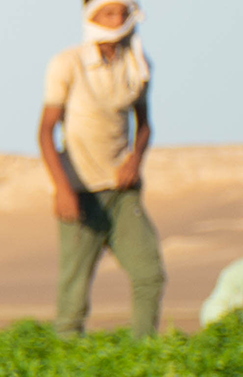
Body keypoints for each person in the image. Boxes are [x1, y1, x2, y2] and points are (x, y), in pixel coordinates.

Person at [39, 0, 164, 336]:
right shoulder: (68, 63)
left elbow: (145, 125)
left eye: (122, 13)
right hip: (81, 192)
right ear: (91, 17)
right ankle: (66, 361)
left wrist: (135, 159)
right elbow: (46, 131)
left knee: (149, 274)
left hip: (122, 192)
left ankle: (144, 353)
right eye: (108, 13)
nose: (116, 20)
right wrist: (63, 189)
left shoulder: (136, 64)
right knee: (74, 293)